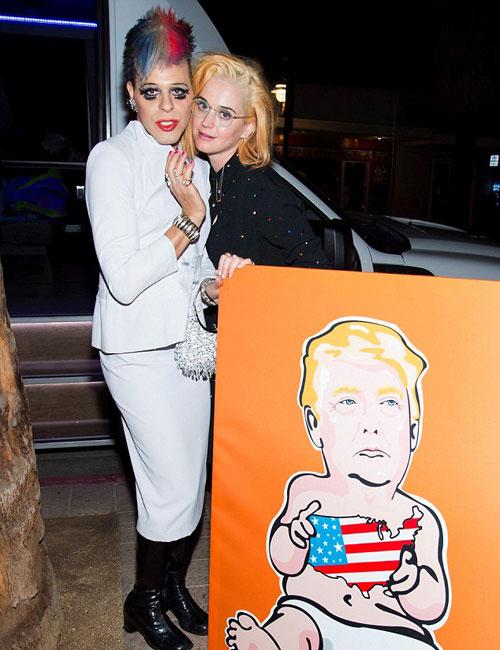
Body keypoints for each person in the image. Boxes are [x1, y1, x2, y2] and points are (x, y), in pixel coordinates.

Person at [85, 9, 238, 650]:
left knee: (190, 481)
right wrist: (187, 220)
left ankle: (172, 587)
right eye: (153, 92)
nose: (169, 108)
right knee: (168, 484)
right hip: (133, 349)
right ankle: (142, 601)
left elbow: (192, 265)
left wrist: (215, 283)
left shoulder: (191, 162)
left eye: (180, 92)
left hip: (185, 347)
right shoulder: (110, 160)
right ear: (131, 93)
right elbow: (122, 278)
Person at [226, 319, 450, 650]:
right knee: (293, 624)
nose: (370, 424)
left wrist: (414, 582)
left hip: (391, 631)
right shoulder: (308, 494)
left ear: (413, 431)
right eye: (347, 402)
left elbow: (433, 606)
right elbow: (283, 561)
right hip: (313, 617)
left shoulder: (417, 519)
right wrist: (293, 537)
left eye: (389, 403)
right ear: (314, 425)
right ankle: (270, 644)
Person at [184, 52, 329, 274]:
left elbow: (318, 271)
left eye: (225, 115)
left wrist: (254, 276)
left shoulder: (261, 188)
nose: (206, 122)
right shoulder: (205, 177)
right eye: (203, 105)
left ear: (248, 128)